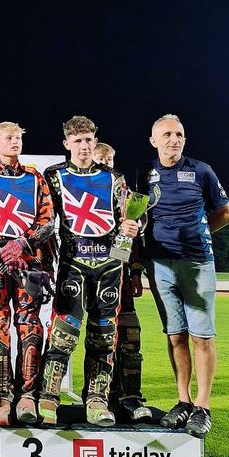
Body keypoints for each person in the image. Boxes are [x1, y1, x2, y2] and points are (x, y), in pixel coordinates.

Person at [38, 115, 139, 427]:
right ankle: (48, 397)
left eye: (88, 140)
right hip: (73, 265)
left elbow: (127, 220)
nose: (84, 146)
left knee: (103, 337)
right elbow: (43, 219)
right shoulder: (54, 176)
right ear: (67, 143)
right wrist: (43, 263)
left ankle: (96, 399)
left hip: (109, 268)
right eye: (78, 140)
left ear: (95, 142)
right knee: (63, 334)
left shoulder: (115, 178)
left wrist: (131, 232)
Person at [137, 114, 229, 438]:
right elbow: (136, 216)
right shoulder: (143, 173)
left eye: (178, 134)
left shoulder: (202, 170)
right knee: (175, 335)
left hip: (196, 263)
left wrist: (198, 235)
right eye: (167, 134)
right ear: (154, 141)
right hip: (159, 265)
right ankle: (183, 401)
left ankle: (202, 407)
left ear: (184, 139)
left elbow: (225, 213)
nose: (173, 139)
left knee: (202, 337)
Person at [0, 122, 54, 426]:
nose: (14, 141)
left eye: (18, 137)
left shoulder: (36, 177)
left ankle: (27, 395)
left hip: (30, 261)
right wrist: (1, 249)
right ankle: (2, 397)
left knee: (30, 322)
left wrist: (21, 244)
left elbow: (48, 219)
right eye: (8, 138)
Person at [92, 142, 152, 422]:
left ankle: (129, 396)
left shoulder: (129, 196)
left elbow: (136, 240)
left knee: (130, 336)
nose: (107, 162)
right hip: (88, 276)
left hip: (121, 277)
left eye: (111, 158)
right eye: (101, 158)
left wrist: (136, 272)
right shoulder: (81, 190)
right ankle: (98, 396)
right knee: (99, 339)